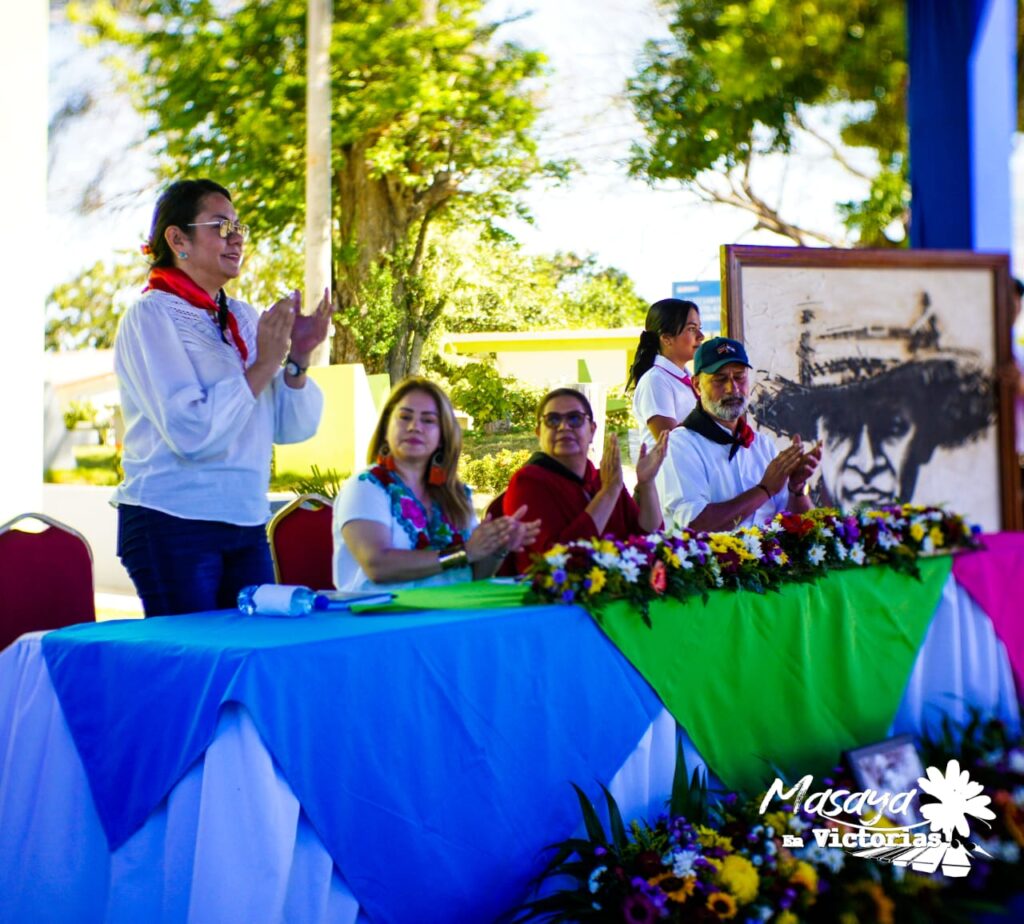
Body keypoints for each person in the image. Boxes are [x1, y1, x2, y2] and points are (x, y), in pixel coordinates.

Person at [113, 178, 331, 616]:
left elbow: (290, 428)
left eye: (238, 227)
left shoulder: (244, 317)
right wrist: (264, 363)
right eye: (220, 226)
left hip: (246, 519)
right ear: (178, 240)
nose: (237, 238)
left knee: (251, 650)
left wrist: (298, 358)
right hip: (172, 520)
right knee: (195, 654)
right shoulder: (150, 316)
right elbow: (191, 433)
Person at [751, 295, 992, 510]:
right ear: (816, 439)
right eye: (841, 430)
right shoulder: (801, 524)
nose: (866, 464)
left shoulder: (941, 526)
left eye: (890, 429)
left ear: (924, 441)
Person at [333, 377, 540, 591]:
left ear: (442, 436)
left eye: (428, 420)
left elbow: (474, 576)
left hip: (452, 610)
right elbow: (378, 566)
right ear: (386, 428)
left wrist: (497, 547)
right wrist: (464, 552)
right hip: (381, 612)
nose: (414, 427)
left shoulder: (458, 494)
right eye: (405, 417)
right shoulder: (366, 486)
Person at [662, 337, 821, 532]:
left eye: (739, 377)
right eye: (720, 379)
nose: (733, 388)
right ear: (696, 385)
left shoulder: (762, 445)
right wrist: (764, 490)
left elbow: (797, 525)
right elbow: (695, 525)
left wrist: (796, 488)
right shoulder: (680, 445)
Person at [503, 387, 667, 573]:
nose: (564, 427)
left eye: (574, 419)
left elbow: (649, 538)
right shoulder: (528, 483)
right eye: (553, 420)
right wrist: (608, 493)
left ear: (592, 430)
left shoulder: (603, 478)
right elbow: (558, 560)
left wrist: (647, 483)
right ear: (539, 433)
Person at [627, 298, 704, 451]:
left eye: (699, 328)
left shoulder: (688, 378)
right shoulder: (655, 381)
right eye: (691, 329)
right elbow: (671, 443)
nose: (701, 336)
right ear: (666, 338)